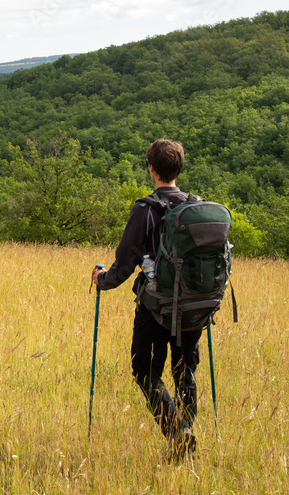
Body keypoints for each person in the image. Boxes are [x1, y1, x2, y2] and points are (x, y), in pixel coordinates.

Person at [90, 138, 201, 461]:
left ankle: (177, 433)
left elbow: (126, 259)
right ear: (179, 168)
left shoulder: (145, 209)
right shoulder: (196, 207)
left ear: (152, 170)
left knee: (144, 370)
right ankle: (185, 433)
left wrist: (103, 281)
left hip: (156, 307)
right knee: (185, 371)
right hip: (194, 307)